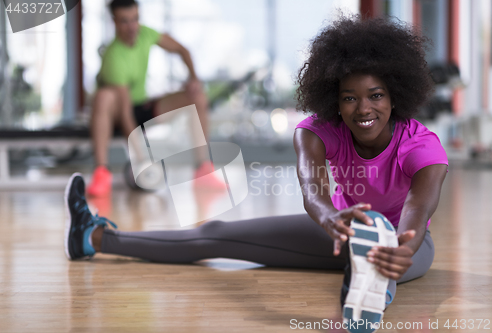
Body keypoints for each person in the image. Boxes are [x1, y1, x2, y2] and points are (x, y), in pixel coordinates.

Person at [65, 16, 448, 332]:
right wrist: (330, 216)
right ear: (335, 100)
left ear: (395, 95)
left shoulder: (422, 145)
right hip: (337, 229)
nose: (363, 108)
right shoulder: (316, 131)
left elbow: (418, 205)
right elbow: (312, 188)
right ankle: (93, 236)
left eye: (376, 95)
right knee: (214, 233)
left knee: (376, 254)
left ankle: (369, 292)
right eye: (350, 97)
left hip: (406, 244)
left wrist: (403, 247)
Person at [88, 0, 222, 196]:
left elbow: (182, 50)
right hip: (117, 115)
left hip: (142, 105)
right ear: (114, 22)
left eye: (135, 19)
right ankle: (101, 172)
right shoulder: (114, 56)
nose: (132, 27)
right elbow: (126, 114)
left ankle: (203, 170)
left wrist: (193, 78)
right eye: (125, 21)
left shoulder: (146, 34)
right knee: (104, 96)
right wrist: (142, 160)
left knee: (197, 98)